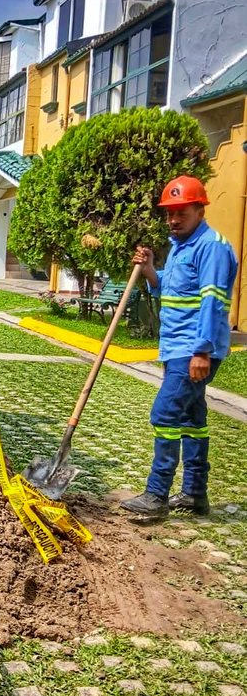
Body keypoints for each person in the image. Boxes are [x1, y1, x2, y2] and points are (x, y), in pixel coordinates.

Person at [120, 176, 237, 518]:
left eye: (181, 212)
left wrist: (202, 351)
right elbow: (165, 293)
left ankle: (156, 496)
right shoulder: (179, 247)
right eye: (169, 213)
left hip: (193, 350)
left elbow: (213, 304)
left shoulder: (211, 247)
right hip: (176, 348)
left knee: (165, 414)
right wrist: (150, 269)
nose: (173, 219)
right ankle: (195, 494)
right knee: (191, 418)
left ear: (200, 209)